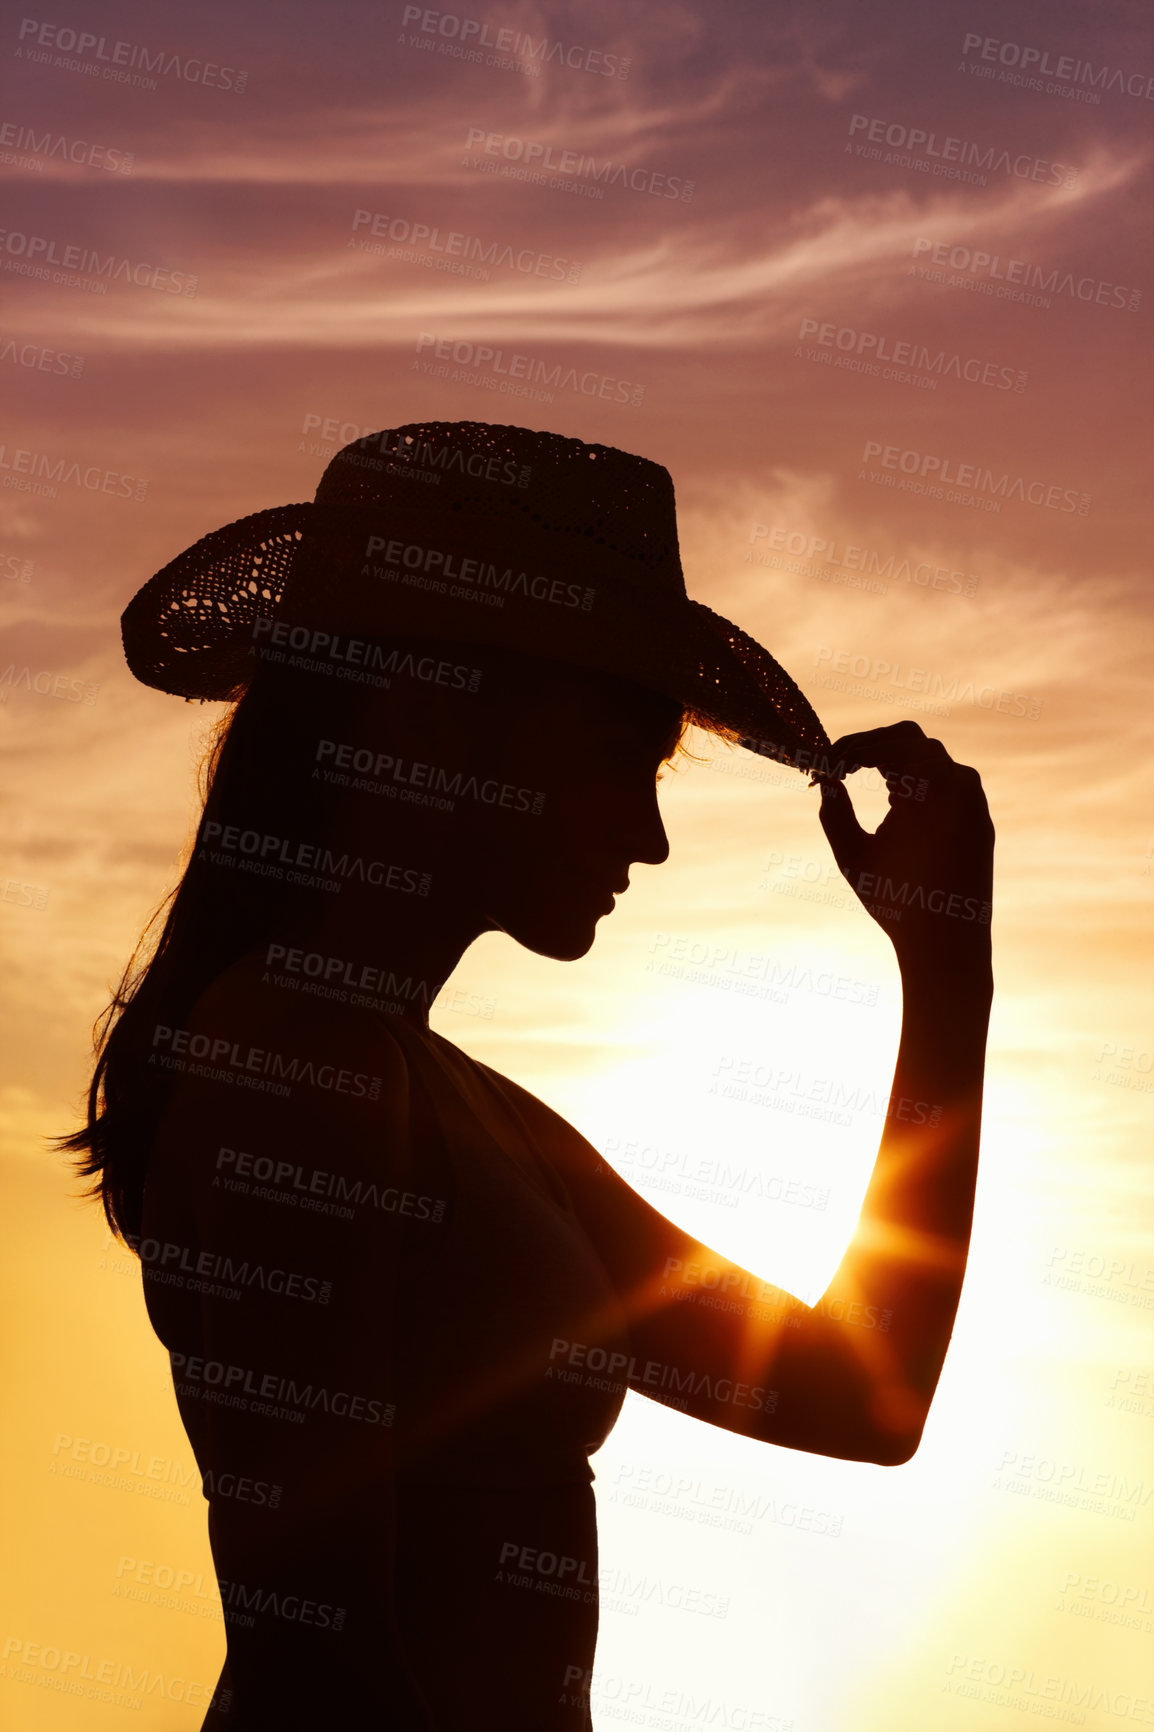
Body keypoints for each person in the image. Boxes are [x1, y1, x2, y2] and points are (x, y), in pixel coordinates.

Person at [60, 421, 994, 1730]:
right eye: (628, 757)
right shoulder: (298, 1060)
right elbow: (318, 1655)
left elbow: (855, 1393)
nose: (651, 836)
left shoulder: (459, 1108)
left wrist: (945, 976)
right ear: (438, 716)